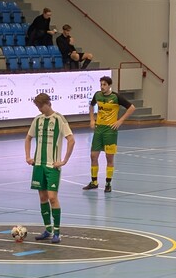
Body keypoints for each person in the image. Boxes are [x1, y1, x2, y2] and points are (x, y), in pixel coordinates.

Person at [25, 92, 74, 243]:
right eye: (38, 106)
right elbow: (28, 138)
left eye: (41, 106)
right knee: (42, 197)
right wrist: (28, 157)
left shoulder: (59, 119)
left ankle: (57, 232)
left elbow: (71, 140)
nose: (39, 109)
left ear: (48, 103)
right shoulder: (38, 120)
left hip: (52, 166)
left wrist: (64, 160)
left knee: (52, 197)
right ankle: (48, 229)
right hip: (38, 165)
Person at [84, 76, 135, 193]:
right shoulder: (97, 95)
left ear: (109, 85)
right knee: (93, 156)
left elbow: (132, 108)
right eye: (101, 84)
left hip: (110, 131)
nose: (102, 87)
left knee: (109, 157)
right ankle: (94, 182)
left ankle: (108, 183)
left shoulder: (116, 97)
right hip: (99, 129)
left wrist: (120, 121)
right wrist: (92, 119)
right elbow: (91, 106)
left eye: (104, 84)